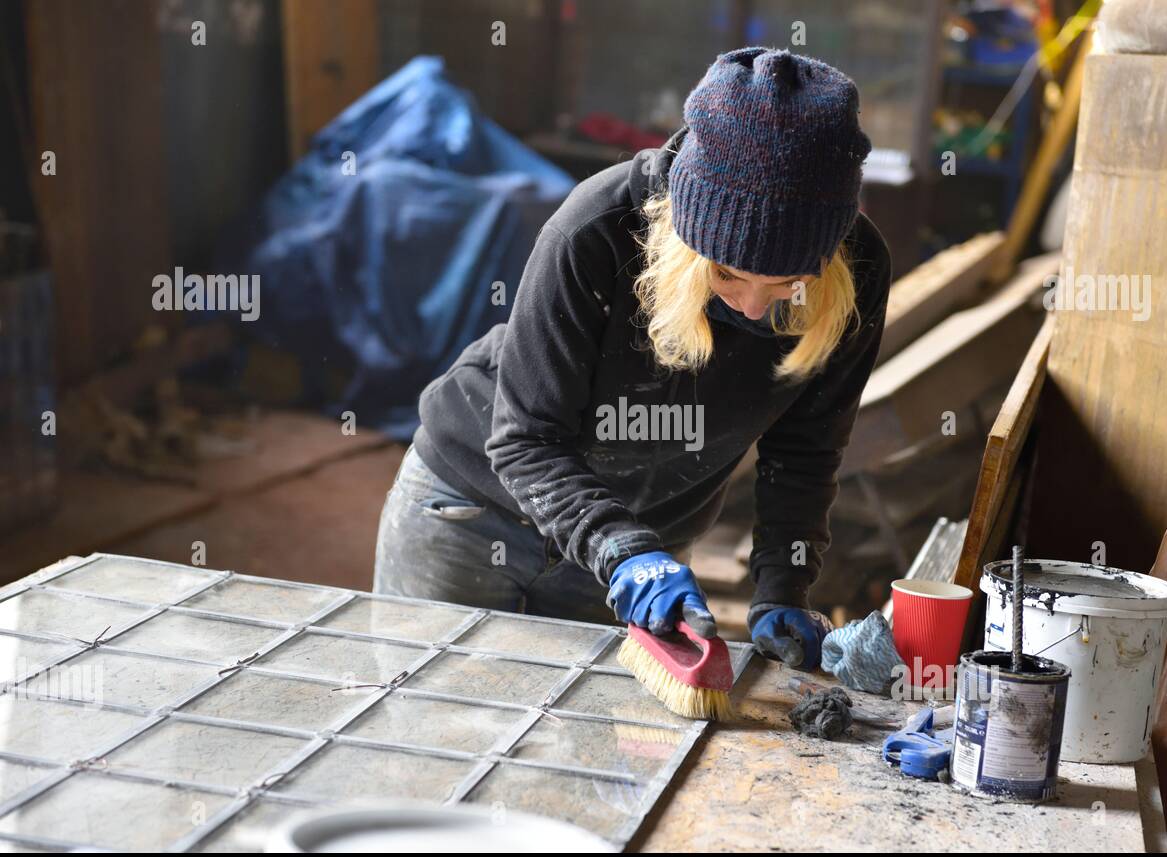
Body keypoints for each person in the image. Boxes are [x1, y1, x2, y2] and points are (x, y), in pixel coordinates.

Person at [375, 47, 890, 672]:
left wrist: (784, 587)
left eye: (787, 285)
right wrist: (622, 550)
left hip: (648, 545)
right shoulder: (594, 229)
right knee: (429, 727)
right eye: (726, 274)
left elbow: (805, 453)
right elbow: (526, 441)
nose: (754, 310)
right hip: (473, 511)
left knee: (577, 754)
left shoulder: (858, 271)